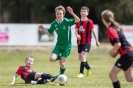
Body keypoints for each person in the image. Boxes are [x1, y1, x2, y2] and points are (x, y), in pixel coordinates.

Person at [38, 5, 80, 75]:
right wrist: (43, 29)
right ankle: (60, 58)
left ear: (63, 14)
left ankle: (61, 75)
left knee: (62, 64)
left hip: (67, 46)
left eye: (60, 14)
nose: (59, 15)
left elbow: (78, 20)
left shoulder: (67, 21)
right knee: (51, 59)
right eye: (57, 14)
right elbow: (48, 33)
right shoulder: (54, 23)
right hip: (58, 45)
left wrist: (72, 13)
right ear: (55, 14)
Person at [101, 10, 133, 88]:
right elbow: (121, 44)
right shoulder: (115, 27)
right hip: (129, 53)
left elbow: (118, 44)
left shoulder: (111, 29)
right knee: (130, 78)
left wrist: (112, 51)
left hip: (127, 54)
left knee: (112, 74)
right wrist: (116, 52)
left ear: (103, 20)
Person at [75, 6, 100, 78]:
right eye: (82, 11)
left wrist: (97, 41)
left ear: (87, 13)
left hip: (87, 42)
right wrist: (77, 35)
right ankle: (88, 67)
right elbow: (76, 31)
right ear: (80, 12)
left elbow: (93, 32)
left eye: (84, 11)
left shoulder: (89, 22)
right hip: (79, 42)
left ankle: (81, 73)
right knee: (80, 58)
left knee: (83, 56)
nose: (83, 12)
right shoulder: (78, 21)